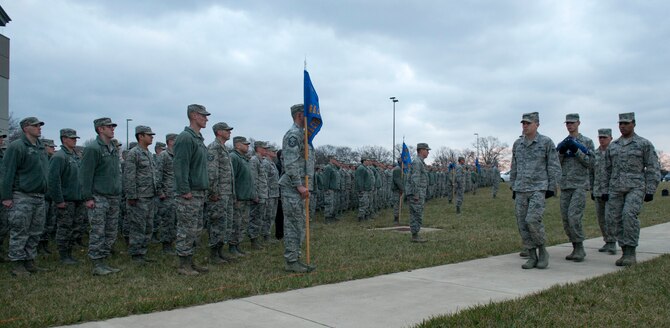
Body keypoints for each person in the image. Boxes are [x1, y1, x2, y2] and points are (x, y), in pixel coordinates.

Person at [602, 112, 661, 266]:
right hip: (615, 188)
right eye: (620, 124)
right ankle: (624, 249)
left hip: (636, 187)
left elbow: (653, 167)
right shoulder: (613, 146)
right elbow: (607, 170)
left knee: (629, 216)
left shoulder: (643, 144)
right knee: (613, 219)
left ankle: (631, 252)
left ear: (634, 123)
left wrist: (650, 189)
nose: (623, 126)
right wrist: (604, 190)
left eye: (626, 123)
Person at [510, 112, 561, 270]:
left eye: (528, 123)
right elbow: (514, 166)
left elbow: (554, 165)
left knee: (532, 220)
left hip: (538, 188)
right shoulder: (518, 144)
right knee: (522, 223)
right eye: (523, 123)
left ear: (537, 124)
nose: (525, 126)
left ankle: (542, 250)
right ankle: (532, 255)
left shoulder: (545, 142)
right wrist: (513, 184)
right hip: (521, 189)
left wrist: (552, 187)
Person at [2, 117, 49, 276]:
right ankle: (17, 264)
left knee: (35, 231)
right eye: (35, 125)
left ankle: (29, 261)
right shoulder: (17, 147)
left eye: (39, 125)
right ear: (25, 128)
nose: (39, 128)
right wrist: (7, 196)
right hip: (22, 195)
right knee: (20, 230)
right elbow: (7, 173)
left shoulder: (40, 147)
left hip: (39, 196)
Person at [80, 117, 123, 275]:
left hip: (113, 196)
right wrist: (88, 197)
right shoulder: (93, 149)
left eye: (112, 126)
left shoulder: (112, 148)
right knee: (98, 230)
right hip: (98, 196)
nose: (112, 129)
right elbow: (85, 175)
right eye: (109, 127)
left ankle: (104, 260)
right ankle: (97, 263)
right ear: (100, 129)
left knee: (110, 230)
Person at [173, 104, 210, 276]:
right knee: (186, 229)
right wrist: (184, 189)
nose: (206, 119)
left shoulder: (198, 139)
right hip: (189, 193)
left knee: (195, 230)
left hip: (199, 191)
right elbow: (180, 166)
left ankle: (190, 261)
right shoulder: (185, 138)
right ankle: (183, 264)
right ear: (194, 115)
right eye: (203, 115)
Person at [279, 104, 316, 273]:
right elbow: (291, 163)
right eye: (308, 115)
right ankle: (291, 260)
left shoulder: (303, 135)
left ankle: (296, 257)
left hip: (299, 188)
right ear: (300, 115)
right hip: (293, 188)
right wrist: (299, 185)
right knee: (294, 224)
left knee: (299, 223)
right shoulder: (293, 135)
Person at [555, 113, 594, 262]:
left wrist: (577, 150)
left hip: (579, 185)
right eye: (567, 123)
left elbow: (591, 163)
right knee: (566, 219)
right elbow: (556, 163)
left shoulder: (587, 142)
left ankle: (580, 248)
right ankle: (574, 246)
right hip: (565, 185)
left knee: (574, 217)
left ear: (578, 123)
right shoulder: (563, 142)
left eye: (572, 123)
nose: (569, 125)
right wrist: (562, 152)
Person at [48, 128, 84, 265]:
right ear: (64, 139)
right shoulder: (59, 157)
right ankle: (64, 254)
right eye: (72, 138)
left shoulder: (74, 156)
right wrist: (58, 199)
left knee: (75, 227)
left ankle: (69, 252)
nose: (75, 140)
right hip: (66, 200)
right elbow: (53, 180)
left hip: (77, 198)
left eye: (75, 138)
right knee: (64, 228)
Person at [124, 125, 159, 264]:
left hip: (150, 196)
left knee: (148, 226)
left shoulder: (148, 153)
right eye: (148, 135)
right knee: (138, 227)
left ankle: (142, 252)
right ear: (140, 136)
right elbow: (129, 176)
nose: (151, 137)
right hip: (139, 197)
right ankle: (136, 255)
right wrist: (131, 196)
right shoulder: (134, 153)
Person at [206, 122, 235, 265]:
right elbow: (211, 172)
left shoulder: (224, 149)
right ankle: (213, 254)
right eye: (226, 130)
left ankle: (220, 252)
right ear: (218, 132)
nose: (229, 132)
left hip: (227, 193)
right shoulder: (214, 147)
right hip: (218, 194)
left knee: (225, 224)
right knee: (217, 223)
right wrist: (213, 191)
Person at [591, 128, 616, 254]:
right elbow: (591, 172)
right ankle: (607, 240)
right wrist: (592, 189)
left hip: (611, 192)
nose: (602, 140)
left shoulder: (614, 153)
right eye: (600, 137)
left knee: (610, 217)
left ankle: (612, 242)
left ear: (610, 138)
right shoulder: (595, 154)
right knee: (601, 218)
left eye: (604, 137)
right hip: (597, 191)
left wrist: (611, 190)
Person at [229, 136, 254, 257]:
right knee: (236, 223)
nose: (247, 146)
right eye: (245, 144)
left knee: (243, 223)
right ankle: (232, 247)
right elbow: (231, 178)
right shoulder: (234, 157)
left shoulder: (244, 159)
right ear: (237, 145)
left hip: (245, 196)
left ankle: (237, 245)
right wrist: (234, 196)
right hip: (238, 197)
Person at [157, 133, 177, 254]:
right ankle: (166, 245)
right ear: (170, 141)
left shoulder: (178, 155)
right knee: (167, 220)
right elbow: (158, 174)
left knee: (175, 220)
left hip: (177, 193)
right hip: (167, 193)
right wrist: (160, 191)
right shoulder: (163, 156)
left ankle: (173, 241)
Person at [406, 143, 430, 243]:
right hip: (417, 193)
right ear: (421, 150)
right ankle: (415, 235)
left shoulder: (420, 162)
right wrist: (416, 194)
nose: (428, 152)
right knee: (417, 214)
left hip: (419, 192)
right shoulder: (417, 162)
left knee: (416, 214)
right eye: (427, 150)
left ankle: (415, 234)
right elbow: (415, 179)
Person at [248, 140, 269, 249]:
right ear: (258, 148)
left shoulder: (261, 161)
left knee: (260, 218)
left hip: (263, 194)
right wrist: (254, 194)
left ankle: (256, 238)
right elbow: (253, 179)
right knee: (255, 218)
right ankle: (253, 240)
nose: (266, 150)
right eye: (264, 148)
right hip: (258, 195)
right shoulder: (254, 160)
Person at [263, 145, 280, 242]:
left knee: (272, 215)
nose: (275, 152)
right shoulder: (266, 163)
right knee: (268, 215)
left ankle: (267, 233)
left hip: (274, 194)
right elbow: (264, 179)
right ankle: (266, 235)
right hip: (269, 194)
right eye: (273, 151)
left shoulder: (272, 163)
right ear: (268, 152)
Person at [322, 156, 340, 223]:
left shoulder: (334, 168)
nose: (337, 161)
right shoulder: (328, 167)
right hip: (329, 189)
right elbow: (326, 179)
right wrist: (326, 189)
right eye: (335, 160)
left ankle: (332, 216)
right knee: (329, 204)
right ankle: (327, 218)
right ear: (331, 159)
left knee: (333, 204)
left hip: (334, 189)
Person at [391, 158, 405, 225]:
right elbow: (397, 180)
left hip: (400, 189)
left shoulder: (401, 169)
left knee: (400, 204)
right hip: (397, 189)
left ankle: (398, 217)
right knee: (396, 204)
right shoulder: (397, 169)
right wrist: (401, 188)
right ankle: (396, 218)